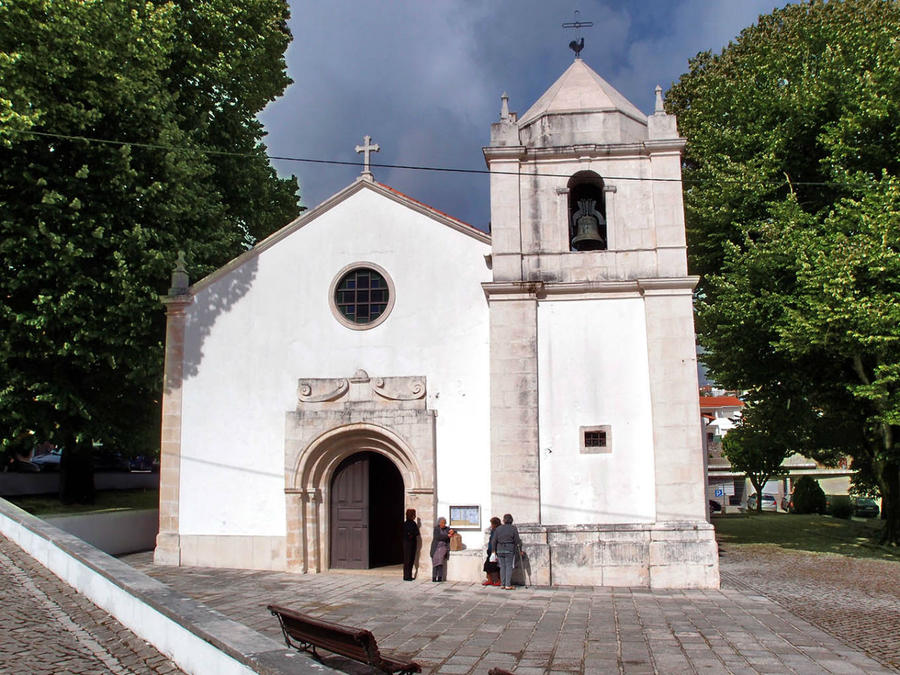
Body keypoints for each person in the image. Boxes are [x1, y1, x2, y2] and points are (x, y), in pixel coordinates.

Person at [490, 513, 522, 590]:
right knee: (508, 567)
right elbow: (517, 540)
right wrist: (520, 550)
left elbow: (494, 540)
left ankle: (502, 584)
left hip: (499, 549)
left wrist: (493, 551)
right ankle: (507, 584)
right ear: (511, 520)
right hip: (509, 549)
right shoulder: (513, 528)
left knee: (502, 567)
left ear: (504, 520)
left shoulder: (498, 528)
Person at [429, 517, 454, 582]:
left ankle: (440, 577)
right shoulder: (436, 529)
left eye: (444, 523)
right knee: (435, 563)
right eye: (442, 523)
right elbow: (438, 537)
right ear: (439, 523)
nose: (443, 524)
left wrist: (452, 531)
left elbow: (453, 531)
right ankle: (434, 577)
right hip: (436, 548)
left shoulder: (446, 529)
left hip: (443, 548)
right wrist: (447, 536)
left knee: (440, 563)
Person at [482, 516, 501, 586]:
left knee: (498, 567)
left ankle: (499, 580)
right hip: (491, 551)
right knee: (487, 566)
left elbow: (495, 541)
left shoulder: (498, 530)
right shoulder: (493, 530)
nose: (491, 525)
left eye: (492, 524)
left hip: (496, 551)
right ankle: (490, 580)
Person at [401, 508, 419, 581]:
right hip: (410, 543)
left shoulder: (405, 523)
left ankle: (407, 575)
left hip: (406, 543)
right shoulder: (412, 523)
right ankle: (407, 576)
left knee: (407, 560)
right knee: (409, 560)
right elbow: (416, 533)